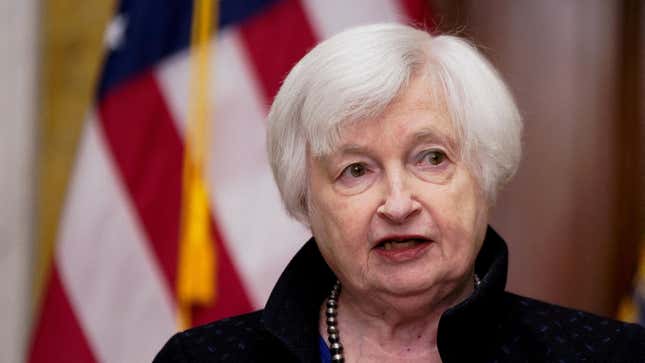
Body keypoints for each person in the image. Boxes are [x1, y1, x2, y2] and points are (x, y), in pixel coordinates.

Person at [154, 23, 645, 362]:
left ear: (484, 173)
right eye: (355, 170)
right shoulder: (198, 362)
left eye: (431, 158)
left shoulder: (605, 355)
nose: (398, 204)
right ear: (306, 199)